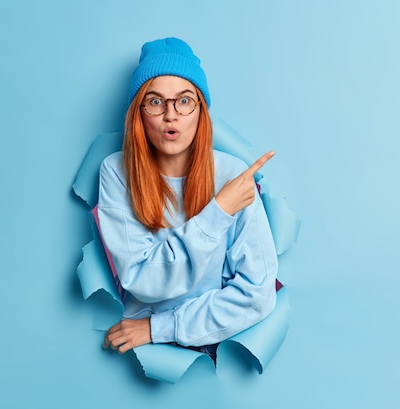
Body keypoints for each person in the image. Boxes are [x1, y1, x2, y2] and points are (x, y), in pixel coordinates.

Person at [99, 37, 278, 359]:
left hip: (217, 352)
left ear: (200, 111)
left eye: (184, 101)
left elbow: (256, 295)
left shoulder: (232, 174)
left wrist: (156, 327)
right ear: (140, 114)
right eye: (155, 102)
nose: (171, 115)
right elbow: (142, 279)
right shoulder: (116, 171)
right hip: (140, 358)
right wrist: (219, 212)